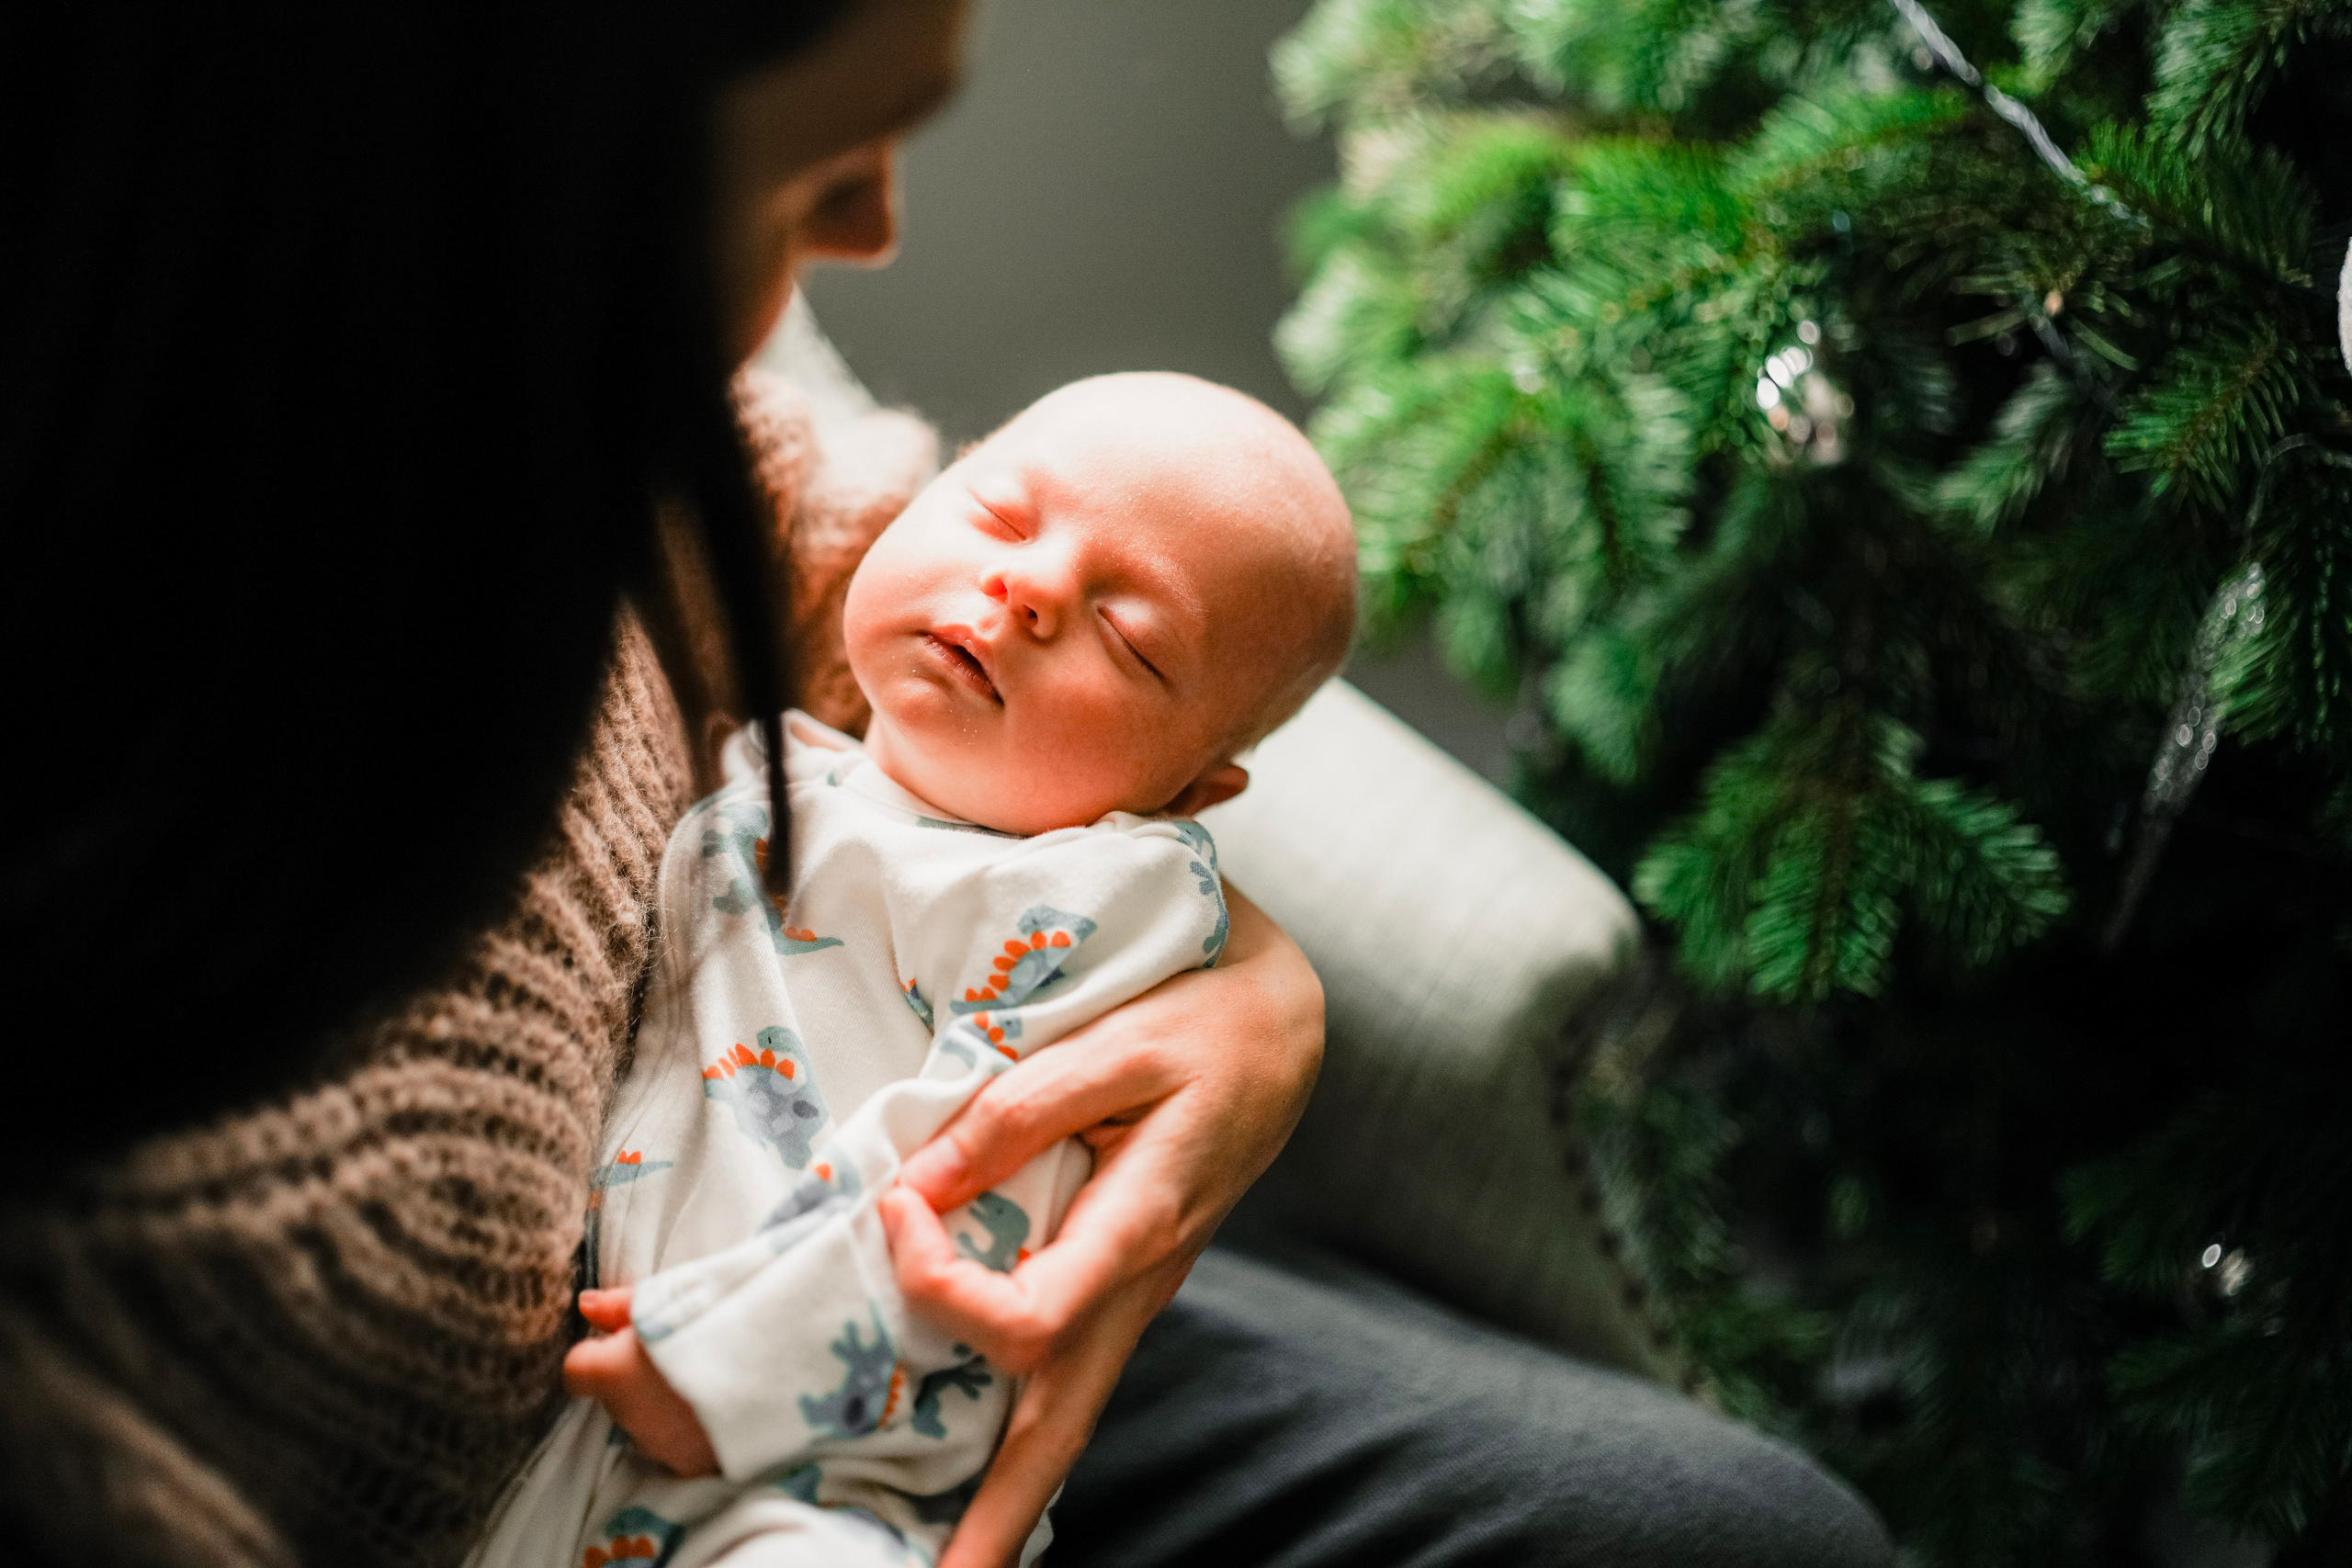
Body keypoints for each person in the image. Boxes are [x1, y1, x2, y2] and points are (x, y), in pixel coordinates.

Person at [0, 3, 1893, 1565]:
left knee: (1724, 1536)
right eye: (819, 168)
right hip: (600, 1442)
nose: (877, 237)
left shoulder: (571, 392)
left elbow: (877, 572)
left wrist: (1245, 988)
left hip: (903, 1368)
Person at [470, 372, 1355, 1568]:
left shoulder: (1096, 900)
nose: (1032, 587)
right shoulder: (768, 769)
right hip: (585, 1433)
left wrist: (735, 1370)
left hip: (836, 1480)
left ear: (1191, 793)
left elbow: (998, 1188)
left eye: (1132, 640)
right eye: (998, 513)